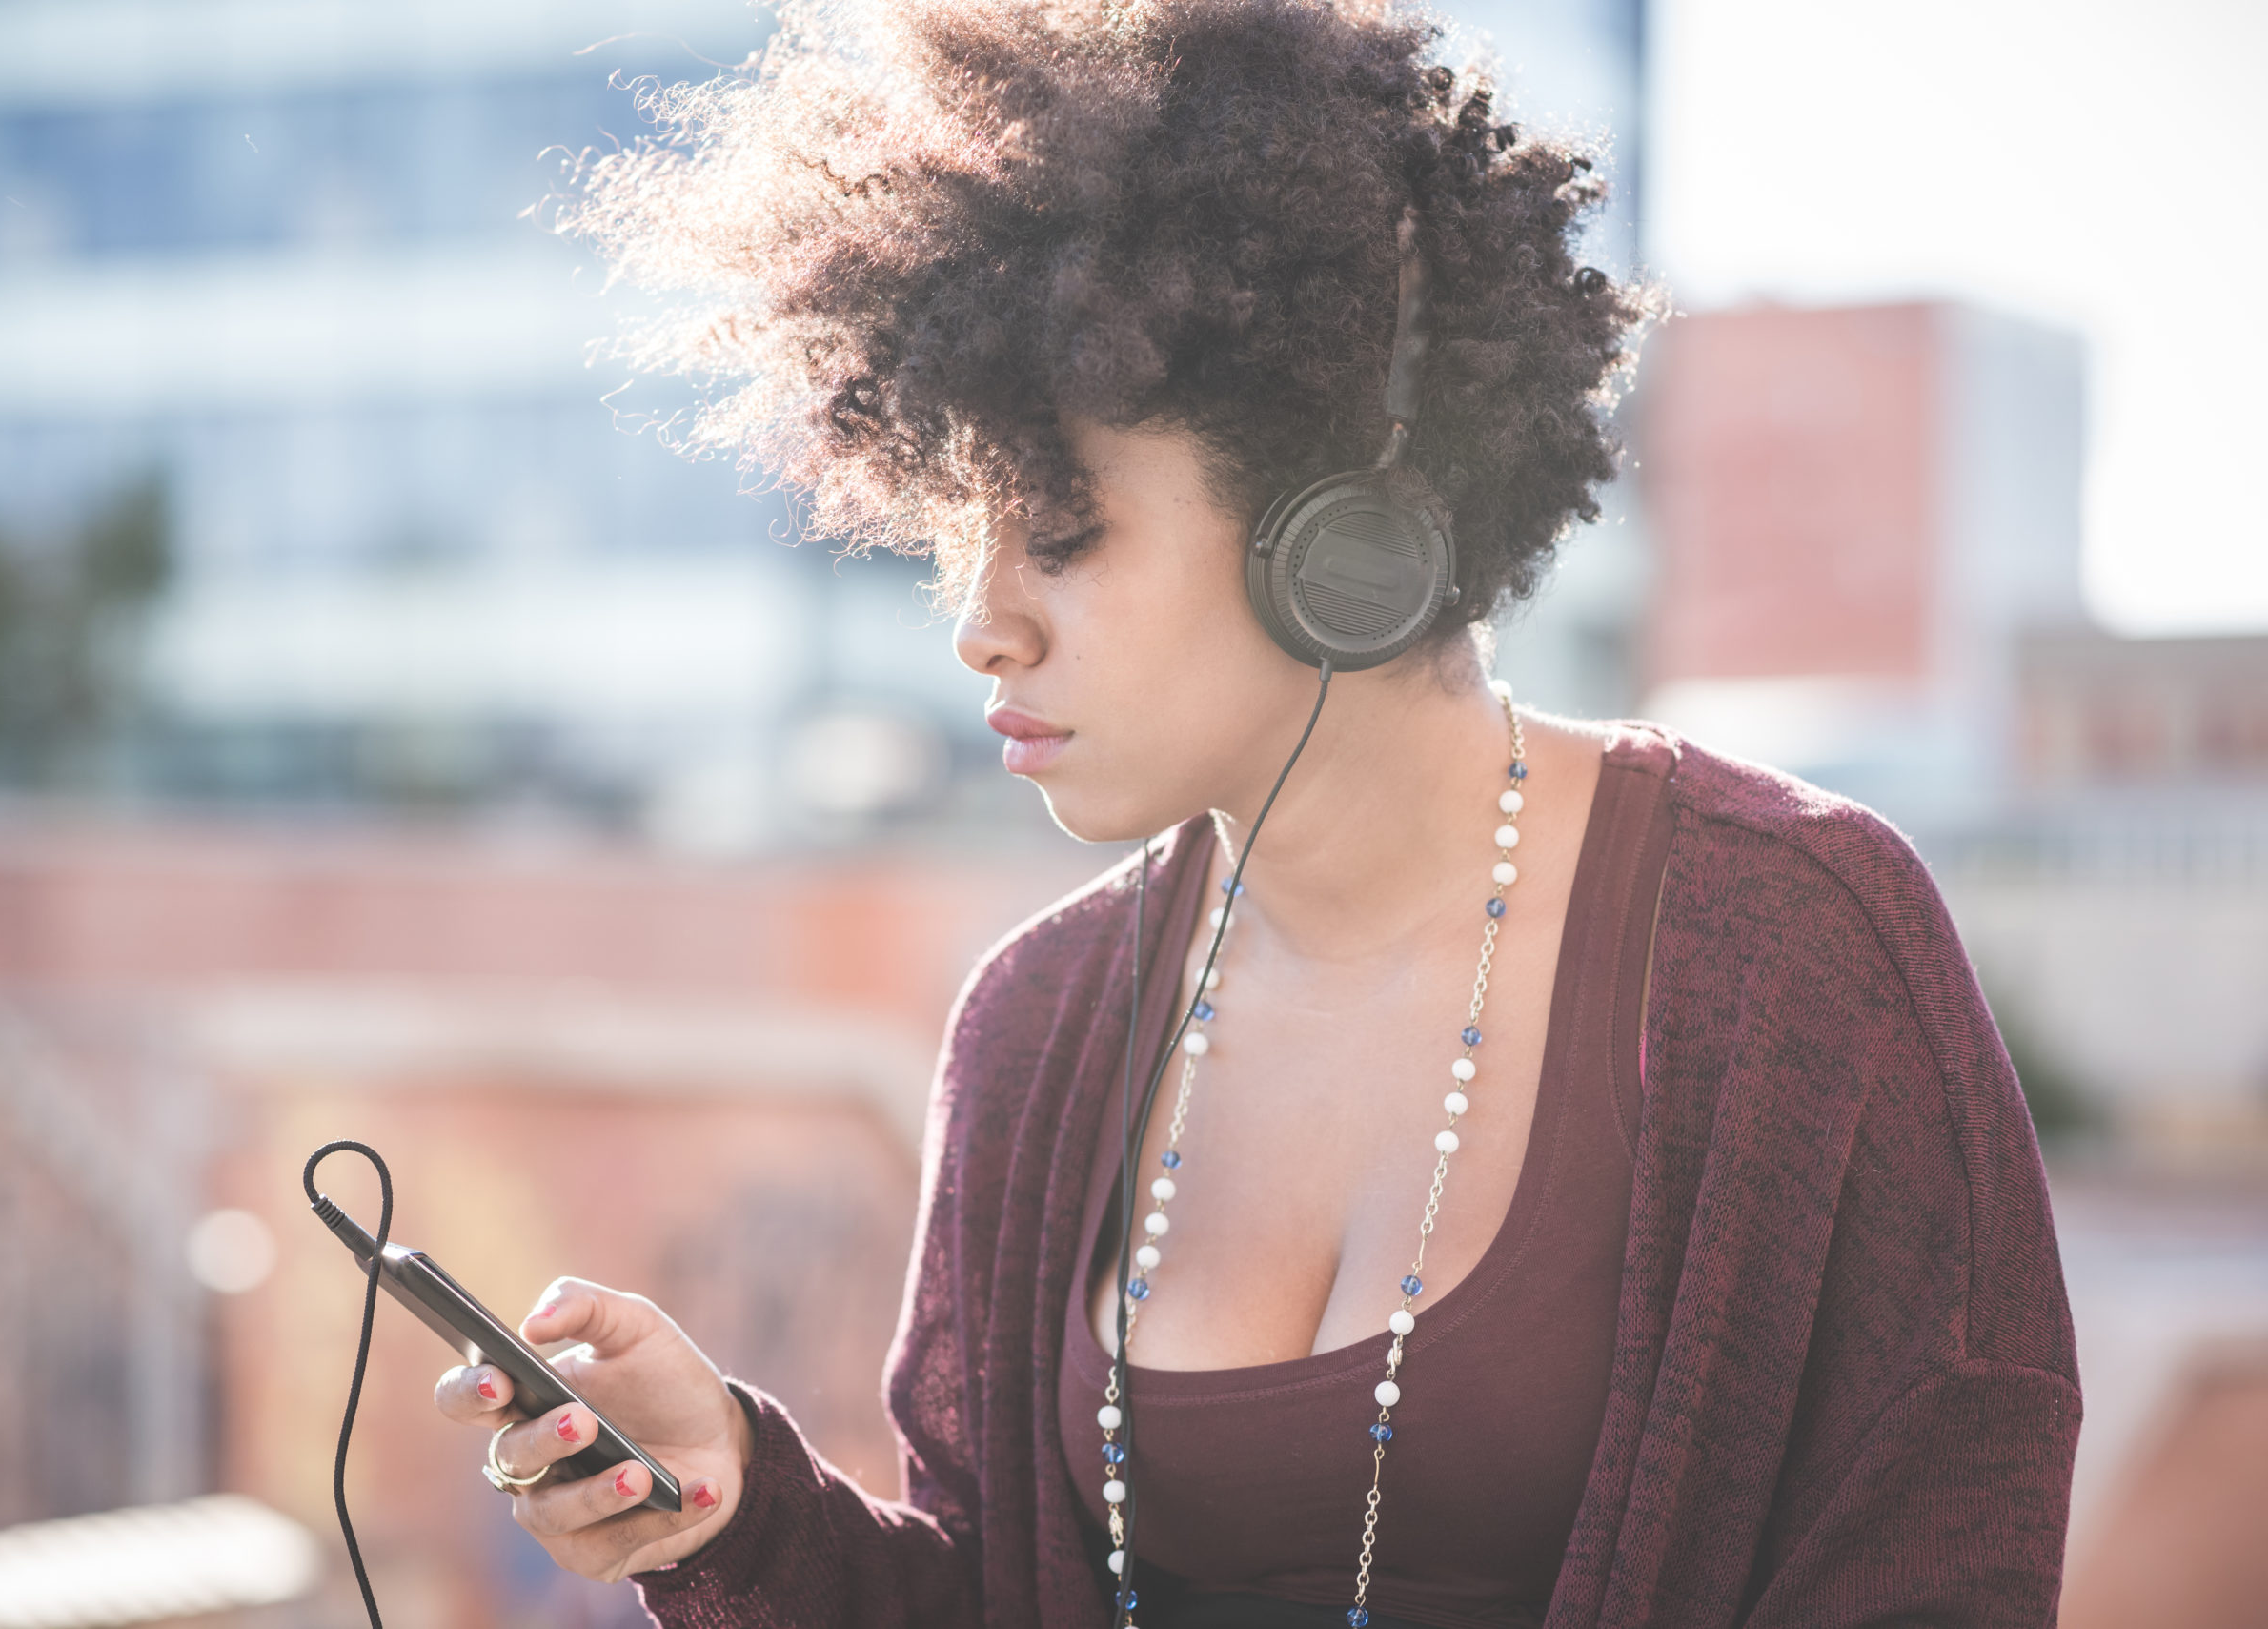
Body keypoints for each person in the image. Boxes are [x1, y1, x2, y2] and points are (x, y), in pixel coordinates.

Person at [433, 2, 2080, 1625]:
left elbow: (1942, 1558)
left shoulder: (1791, 940)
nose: (979, 623)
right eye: (963, 530)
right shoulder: (1042, 1023)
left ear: (1340, 530)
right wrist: (734, 1503)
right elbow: (998, 1598)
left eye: (1065, 532)